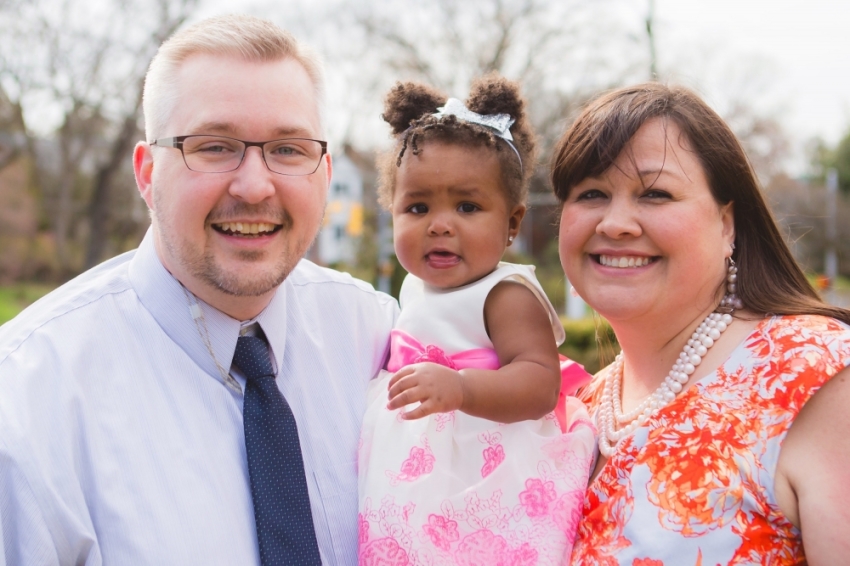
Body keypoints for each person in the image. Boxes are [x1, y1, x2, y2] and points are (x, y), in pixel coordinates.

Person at [0, 15, 397, 565]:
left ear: (325, 173)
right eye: (213, 146)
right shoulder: (26, 403)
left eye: (288, 149)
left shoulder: (379, 340)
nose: (255, 186)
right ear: (146, 173)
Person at [552, 82, 850, 564]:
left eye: (655, 193)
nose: (616, 222)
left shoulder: (814, 374)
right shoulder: (574, 409)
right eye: (591, 194)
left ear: (727, 223)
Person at [357, 76, 596, 565]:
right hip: (411, 460)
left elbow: (537, 384)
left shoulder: (504, 294)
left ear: (511, 223)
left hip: (482, 463)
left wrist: (462, 388)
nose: (440, 224)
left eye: (467, 206)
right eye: (417, 207)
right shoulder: (411, 285)